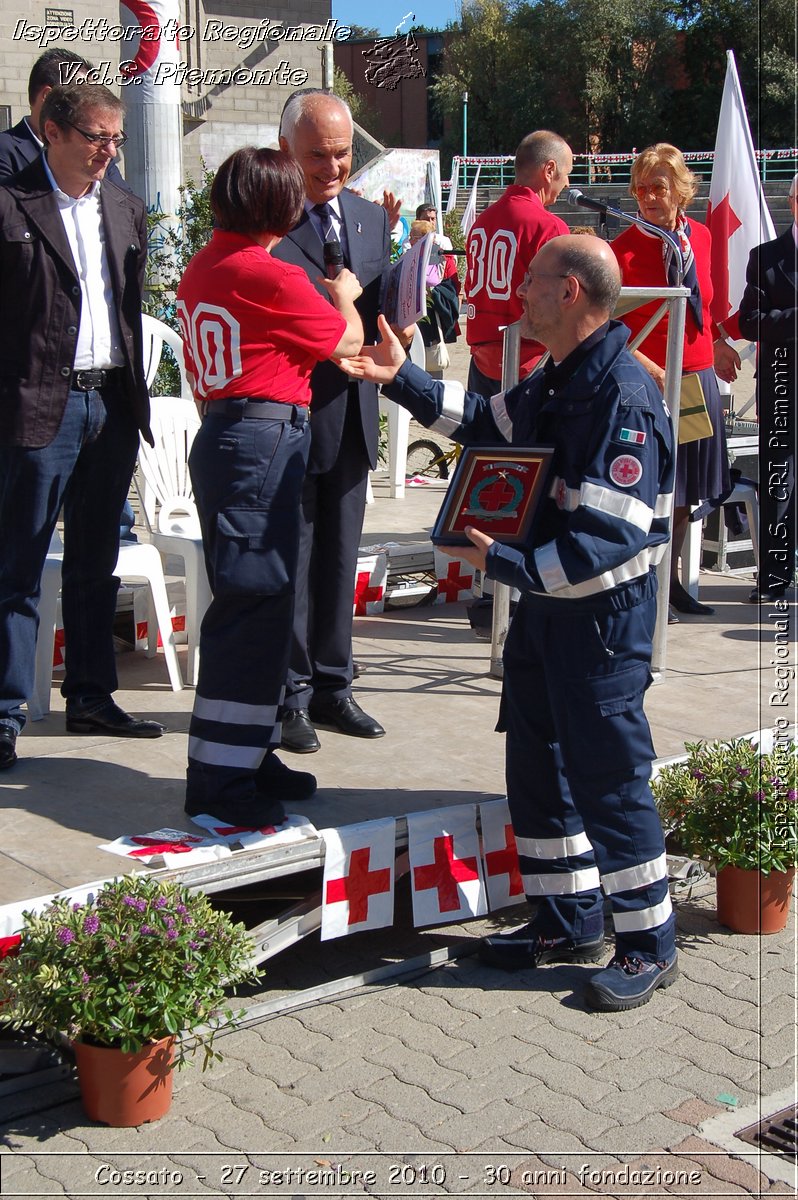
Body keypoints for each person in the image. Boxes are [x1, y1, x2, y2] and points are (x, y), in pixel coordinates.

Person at [342, 235, 678, 1012]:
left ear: (570, 293)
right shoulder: (558, 376)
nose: (517, 290)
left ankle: (647, 943)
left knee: (609, 783)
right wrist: (408, 383)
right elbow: (488, 422)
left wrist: (515, 569)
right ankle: (567, 920)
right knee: (539, 773)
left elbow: (614, 534)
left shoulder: (623, 396)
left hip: (598, 623)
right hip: (546, 618)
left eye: (532, 280)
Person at [176, 147, 364, 826]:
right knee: (253, 614)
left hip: (228, 432)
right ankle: (222, 784)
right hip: (261, 439)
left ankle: (248, 753)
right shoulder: (270, 273)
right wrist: (344, 295)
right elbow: (345, 340)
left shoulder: (206, 262)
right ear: (276, 206)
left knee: (258, 604)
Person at [0, 84, 161, 772]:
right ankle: (5, 716)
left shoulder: (123, 208)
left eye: (117, 140)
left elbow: (128, 310)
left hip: (111, 404)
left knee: (96, 565)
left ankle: (92, 695)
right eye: (97, 138)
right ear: (52, 131)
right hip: (40, 406)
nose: (108, 153)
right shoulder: (12, 206)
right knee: (18, 570)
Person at [273, 90, 390, 754]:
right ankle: (288, 697)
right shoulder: (268, 223)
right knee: (296, 560)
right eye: (317, 154)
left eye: (342, 153)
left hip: (353, 419)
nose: (332, 167)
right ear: (287, 148)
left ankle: (333, 686)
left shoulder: (371, 221)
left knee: (341, 559)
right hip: (291, 418)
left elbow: (381, 313)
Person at [611, 143, 732, 619]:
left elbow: (711, 299)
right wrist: (650, 366)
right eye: (640, 189)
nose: (648, 198)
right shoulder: (624, 248)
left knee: (686, 487)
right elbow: (609, 325)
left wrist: (719, 344)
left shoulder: (700, 236)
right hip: (647, 383)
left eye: (657, 188)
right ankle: (639, 578)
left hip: (696, 375)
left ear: (680, 190)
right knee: (646, 481)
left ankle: (670, 577)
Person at [464, 130, 572, 398]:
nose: (568, 183)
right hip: (528, 365)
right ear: (549, 170)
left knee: (483, 439)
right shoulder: (549, 227)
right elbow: (564, 302)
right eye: (566, 172)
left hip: (481, 363)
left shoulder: (481, 222)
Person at [737, 174, 797, 603]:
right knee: (779, 482)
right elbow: (749, 322)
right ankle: (774, 577)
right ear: (794, 203)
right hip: (782, 385)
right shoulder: (766, 258)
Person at [0, 48, 126, 189]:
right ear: (48, 96)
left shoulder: (101, 150)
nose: (93, 105)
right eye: (81, 96)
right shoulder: (5, 150)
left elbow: (126, 204)